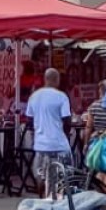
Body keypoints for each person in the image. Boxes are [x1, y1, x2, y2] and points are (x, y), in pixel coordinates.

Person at [25, 67, 73, 195]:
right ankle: (58, 196)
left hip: (40, 144)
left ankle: (42, 193)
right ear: (57, 80)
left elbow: (29, 120)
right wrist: (66, 134)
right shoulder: (61, 96)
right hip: (59, 143)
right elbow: (67, 120)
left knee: (40, 172)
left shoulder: (34, 96)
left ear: (45, 79)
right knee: (65, 173)